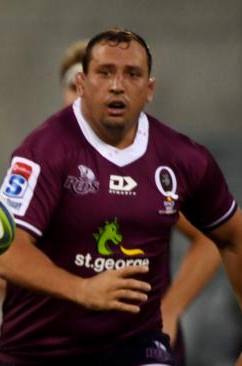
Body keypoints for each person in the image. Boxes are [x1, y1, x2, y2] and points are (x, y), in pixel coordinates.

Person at [0, 28, 242, 365]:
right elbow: (3, 250)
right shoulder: (44, 150)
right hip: (39, 350)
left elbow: (235, 241)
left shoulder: (182, 159)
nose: (117, 85)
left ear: (149, 89)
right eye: (105, 72)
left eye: (132, 74)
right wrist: (83, 290)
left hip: (136, 344)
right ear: (82, 84)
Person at [58, 38, 222, 366]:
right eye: (78, 84)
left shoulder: (148, 163)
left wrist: (171, 310)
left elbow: (211, 238)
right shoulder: (46, 160)